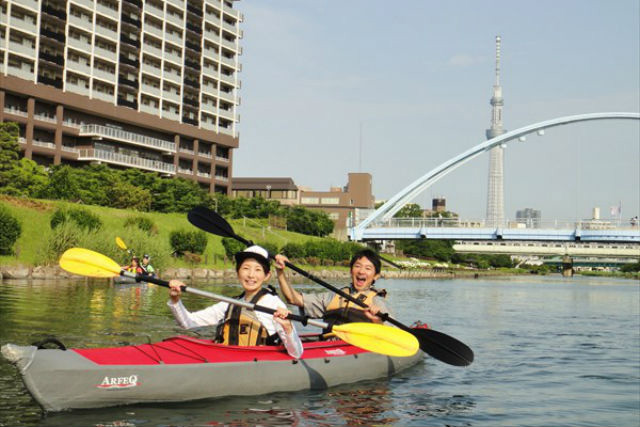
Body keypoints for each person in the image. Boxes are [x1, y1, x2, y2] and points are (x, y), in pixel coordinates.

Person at [167, 245, 303, 359]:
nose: (251, 275)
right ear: (238, 273)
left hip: (257, 364)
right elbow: (188, 322)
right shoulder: (230, 304)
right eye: (245, 268)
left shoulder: (274, 304)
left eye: (257, 270)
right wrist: (175, 300)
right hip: (228, 359)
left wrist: (287, 327)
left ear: (266, 276)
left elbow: (296, 353)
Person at [274, 249, 390, 327]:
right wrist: (280, 272)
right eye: (357, 266)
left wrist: (377, 320)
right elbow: (294, 299)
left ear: (376, 276)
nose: (361, 271)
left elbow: (391, 333)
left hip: (358, 348)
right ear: (351, 271)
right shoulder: (334, 296)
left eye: (368, 268)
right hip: (329, 345)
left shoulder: (378, 302)